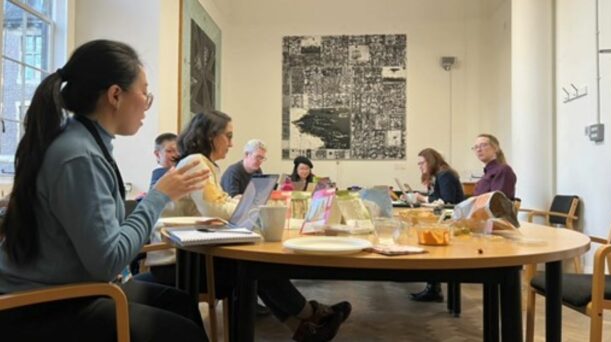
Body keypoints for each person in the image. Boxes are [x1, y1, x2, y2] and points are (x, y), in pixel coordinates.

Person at [0, 40, 211, 341]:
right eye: (144, 93)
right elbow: (108, 260)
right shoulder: (78, 155)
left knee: (181, 303)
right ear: (115, 95)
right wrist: (158, 196)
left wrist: (155, 199)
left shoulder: (83, 142)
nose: (146, 105)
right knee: (182, 332)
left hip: (66, 287)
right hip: (40, 304)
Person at [174, 110, 352, 341]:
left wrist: (242, 203)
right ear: (211, 136)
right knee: (255, 264)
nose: (231, 143)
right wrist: (256, 206)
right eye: (228, 136)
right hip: (186, 261)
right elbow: (216, 210)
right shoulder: (197, 163)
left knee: (255, 263)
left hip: (194, 251)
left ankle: (304, 327)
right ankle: (312, 314)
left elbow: (220, 204)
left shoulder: (201, 163)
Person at [409, 148, 465, 302]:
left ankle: (434, 288)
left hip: (453, 221)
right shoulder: (441, 174)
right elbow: (438, 198)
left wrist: (422, 199)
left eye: (422, 163)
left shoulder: (445, 174)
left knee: (427, 238)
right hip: (449, 218)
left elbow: (447, 202)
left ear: (430, 160)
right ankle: (433, 287)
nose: (420, 167)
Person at [472, 133, 517, 200]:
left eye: (483, 145)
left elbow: (496, 202)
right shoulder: (487, 173)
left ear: (495, 148)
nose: (478, 150)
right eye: (476, 147)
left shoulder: (503, 170)